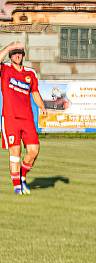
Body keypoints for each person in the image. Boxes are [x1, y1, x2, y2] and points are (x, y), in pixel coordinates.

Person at [1, 42, 45, 195]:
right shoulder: (5, 69)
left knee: (34, 150)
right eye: (14, 53)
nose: (17, 55)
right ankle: (17, 188)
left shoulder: (30, 73)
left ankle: (22, 176)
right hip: (11, 118)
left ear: (23, 55)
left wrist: (42, 106)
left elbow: (35, 93)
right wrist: (8, 47)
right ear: (10, 56)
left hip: (27, 118)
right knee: (15, 152)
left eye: (19, 53)